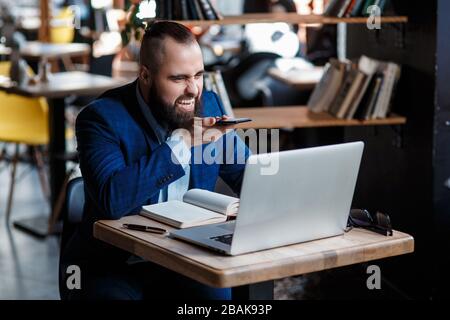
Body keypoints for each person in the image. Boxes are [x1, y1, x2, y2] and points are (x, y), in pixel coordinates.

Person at [59, 21, 251, 300]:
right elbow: (113, 202)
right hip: (110, 264)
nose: (193, 89)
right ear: (146, 76)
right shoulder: (101, 118)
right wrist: (182, 141)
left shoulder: (208, 104)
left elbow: (250, 177)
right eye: (178, 78)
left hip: (186, 258)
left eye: (198, 75)